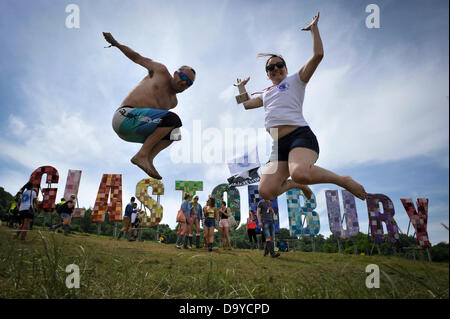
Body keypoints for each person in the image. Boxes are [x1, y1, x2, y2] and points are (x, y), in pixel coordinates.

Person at [235, 12, 367, 203]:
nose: (275, 68)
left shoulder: (296, 80)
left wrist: (314, 30)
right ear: (267, 75)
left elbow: (318, 55)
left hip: (299, 136)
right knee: (266, 192)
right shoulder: (265, 93)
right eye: (270, 68)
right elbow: (246, 104)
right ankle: (296, 185)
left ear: (286, 68)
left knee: (300, 173)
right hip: (277, 147)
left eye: (279, 64)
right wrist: (241, 87)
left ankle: (342, 180)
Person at [103, 32, 196, 180]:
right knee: (173, 120)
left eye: (189, 83)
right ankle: (142, 155)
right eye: (183, 77)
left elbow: (158, 123)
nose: (184, 83)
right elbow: (137, 57)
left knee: (175, 133)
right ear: (175, 73)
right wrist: (116, 43)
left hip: (134, 129)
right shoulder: (160, 71)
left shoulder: (173, 102)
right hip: (124, 116)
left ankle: (147, 159)